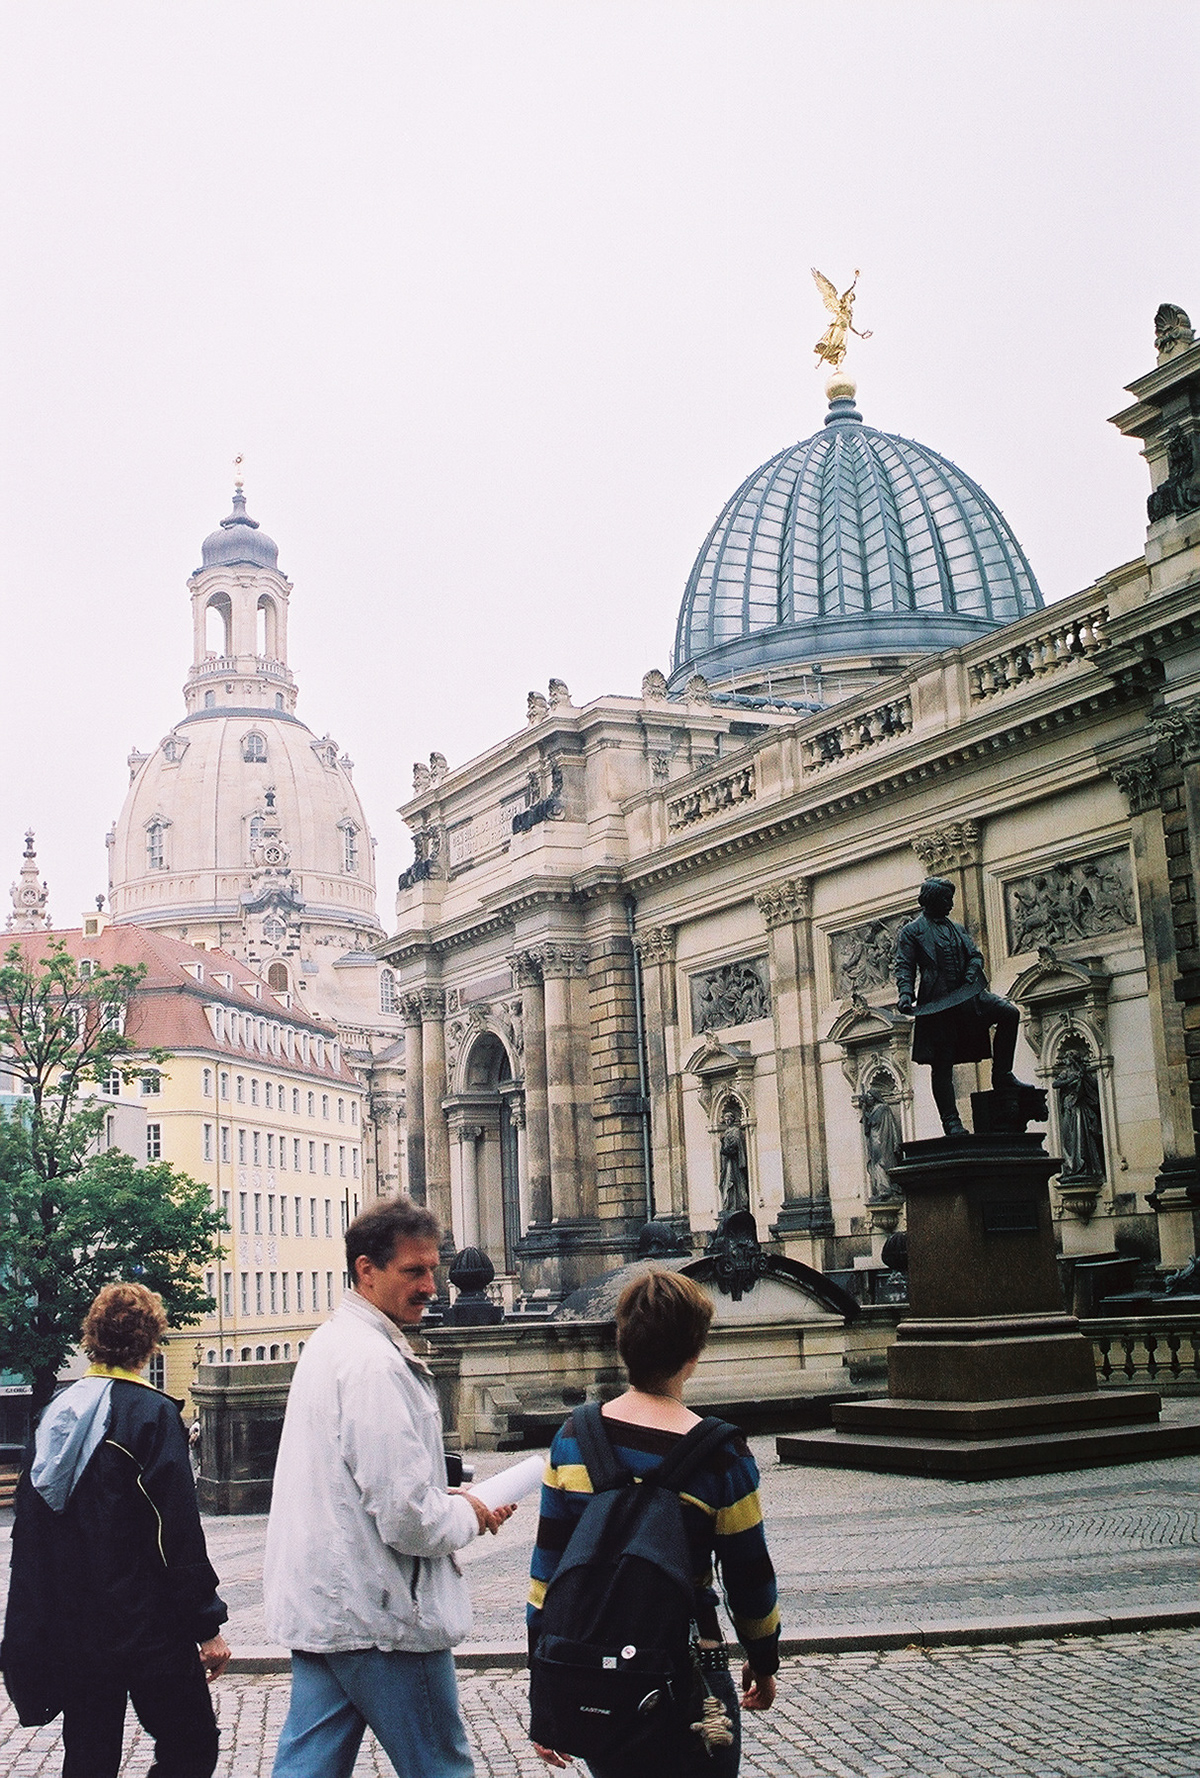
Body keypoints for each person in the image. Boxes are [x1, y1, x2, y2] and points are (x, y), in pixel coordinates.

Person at [263, 1197, 514, 1778]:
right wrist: (470, 1514)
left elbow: (359, 1488)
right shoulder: (373, 1363)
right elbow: (406, 1520)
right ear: (365, 1270)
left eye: (434, 1270)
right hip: (384, 1613)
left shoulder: (332, 1344)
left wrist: (449, 1502)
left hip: (333, 1604)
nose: (431, 1286)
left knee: (309, 1766)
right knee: (440, 1767)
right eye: (414, 1272)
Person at [528, 1270, 779, 1776]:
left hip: (598, 1672)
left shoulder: (574, 1438)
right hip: (694, 1672)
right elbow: (749, 1576)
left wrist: (546, 1685)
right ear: (694, 1354)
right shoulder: (722, 1454)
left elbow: (547, 1577)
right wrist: (763, 1657)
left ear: (623, 1345)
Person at [1, 1281, 230, 1778]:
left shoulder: (52, 1416)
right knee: (190, 1744)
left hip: (75, 1624)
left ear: (92, 1337)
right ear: (150, 1341)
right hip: (148, 1625)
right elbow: (176, 1534)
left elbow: (31, 1535)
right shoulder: (151, 1416)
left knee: (88, 1757)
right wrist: (205, 1625)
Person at [894, 876, 1021, 1135]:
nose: (951, 904)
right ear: (931, 900)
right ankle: (951, 1121)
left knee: (1009, 1013)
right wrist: (906, 994)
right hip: (938, 1002)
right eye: (946, 899)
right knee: (942, 1062)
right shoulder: (912, 932)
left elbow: (975, 955)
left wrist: (973, 970)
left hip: (969, 996)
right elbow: (904, 965)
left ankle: (1002, 1074)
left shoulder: (958, 929)